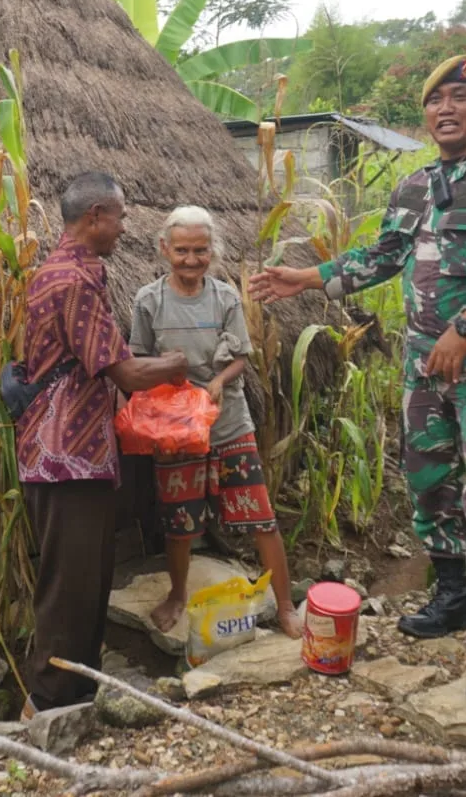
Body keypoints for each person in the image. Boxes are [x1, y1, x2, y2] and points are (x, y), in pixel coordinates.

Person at [249, 54, 466, 706]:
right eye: (435, 99)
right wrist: (306, 277)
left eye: (460, 96)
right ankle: (452, 596)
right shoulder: (416, 186)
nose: (445, 108)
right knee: (426, 478)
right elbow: (383, 256)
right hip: (424, 361)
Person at [16, 172, 187, 716]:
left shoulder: (64, 271)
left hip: (66, 454)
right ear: (94, 216)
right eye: (118, 215)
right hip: (67, 455)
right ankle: (50, 702)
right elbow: (126, 374)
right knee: (71, 582)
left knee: (84, 578)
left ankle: (76, 692)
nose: (123, 225)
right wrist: (178, 364)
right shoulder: (73, 280)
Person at [129, 206, 305, 640]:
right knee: (179, 520)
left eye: (201, 250)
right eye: (183, 250)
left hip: (228, 422)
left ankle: (285, 606)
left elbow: (242, 357)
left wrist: (219, 382)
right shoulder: (148, 300)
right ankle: (177, 595)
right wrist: (170, 377)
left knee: (260, 515)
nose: (191, 259)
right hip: (176, 427)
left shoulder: (225, 297)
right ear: (164, 249)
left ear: (214, 251)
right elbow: (137, 360)